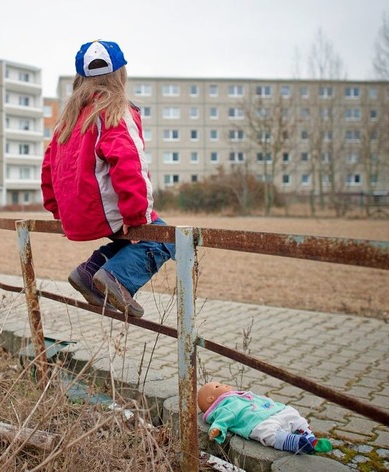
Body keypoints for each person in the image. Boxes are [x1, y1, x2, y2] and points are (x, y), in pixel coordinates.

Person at [41, 40, 175, 319]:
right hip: (107, 212)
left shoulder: (67, 120)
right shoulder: (115, 110)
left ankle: (89, 273)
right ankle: (117, 279)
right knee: (164, 238)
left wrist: (58, 211)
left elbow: (48, 168)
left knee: (132, 241)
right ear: (121, 75)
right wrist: (137, 216)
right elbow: (130, 164)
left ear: (80, 79)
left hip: (76, 216)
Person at [197, 381, 332, 454]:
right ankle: (297, 443)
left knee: (293, 414)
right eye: (218, 386)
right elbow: (221, 421)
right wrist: (216, 430)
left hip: (275, 411)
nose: (224, 384)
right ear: (210, 398)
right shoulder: (225, 407)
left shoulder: (238, 395)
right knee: (268, 434)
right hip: (259, 422)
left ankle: (310, 436)